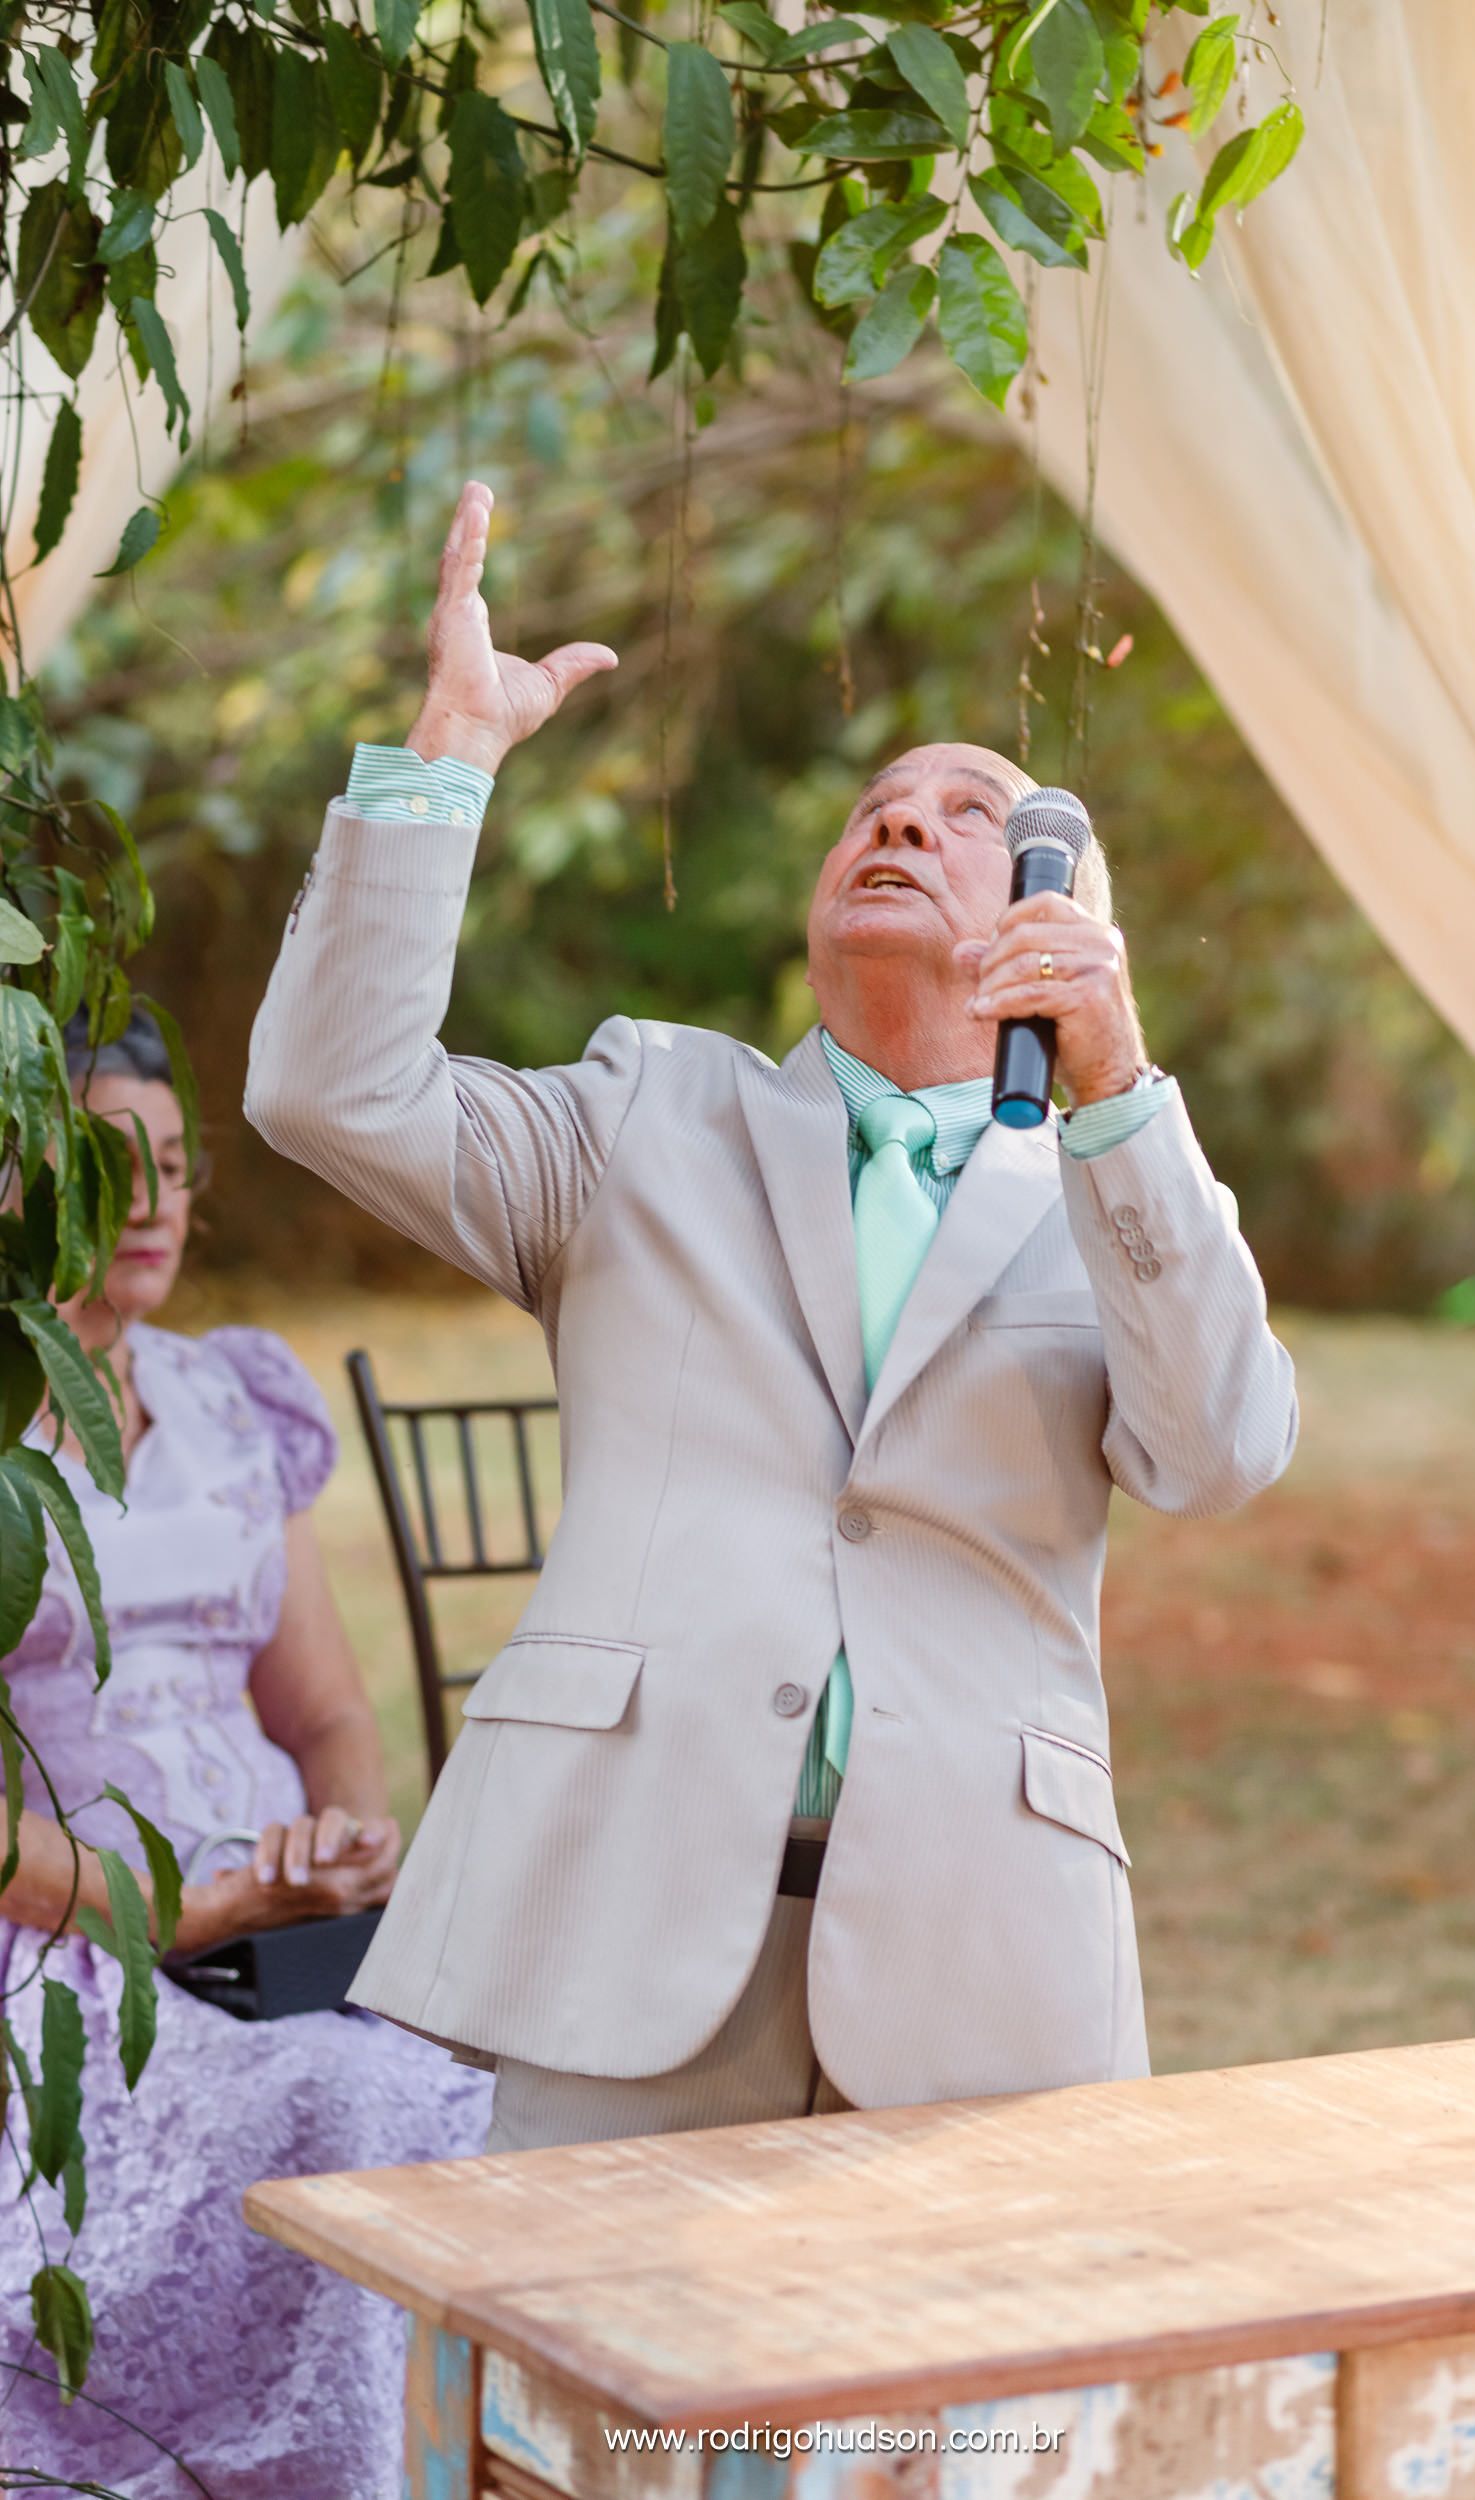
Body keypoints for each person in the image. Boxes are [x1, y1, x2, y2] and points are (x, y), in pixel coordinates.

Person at [245, 479, 1298, 2155]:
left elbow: (1223, 1455)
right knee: (595, 2420)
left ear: (1069, 926)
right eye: (877, 806)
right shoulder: (642, 1113)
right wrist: (446, 754)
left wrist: (1118, 1093)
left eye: (971, 814)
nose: (900, 823)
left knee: (951, 2424)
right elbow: (326, 1090)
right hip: (625, 1931)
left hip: (980, 1959)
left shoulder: (1124, 1194)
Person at [0, 1007, 492, 2499]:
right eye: (101, 1163)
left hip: (286, 1936)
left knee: (512, 2096)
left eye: (172, 1161)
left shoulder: (232, 1398)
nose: (150, 1202)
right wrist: (177, 1914)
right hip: (75, 1945)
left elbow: (329, 1717)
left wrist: (343, 1850)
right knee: (349, 2122)